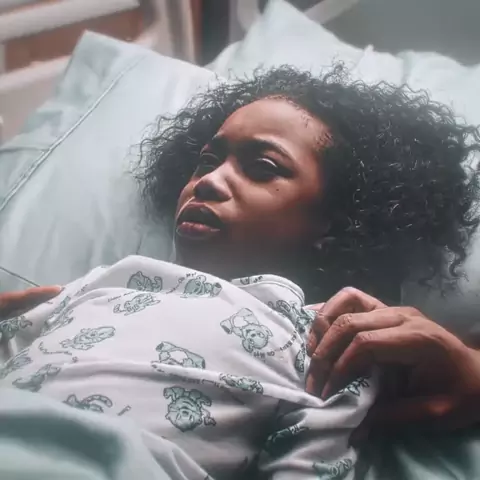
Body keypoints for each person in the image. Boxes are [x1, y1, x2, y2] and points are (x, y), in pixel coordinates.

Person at [1, 65, 480, 479]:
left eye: (263, 167)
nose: (208, 181)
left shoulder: (327, 342)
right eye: (207, 161)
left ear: (332, 224)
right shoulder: (106, 280)